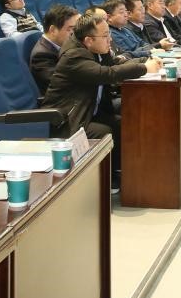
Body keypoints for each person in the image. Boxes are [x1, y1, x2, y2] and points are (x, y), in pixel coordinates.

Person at [39, 13, 160, 185]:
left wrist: (144, 60)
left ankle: (121, 169)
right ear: (88, 40)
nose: (109, 39)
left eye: (109, 34)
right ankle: (107, 179)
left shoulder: (96, 50)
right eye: (105, 36)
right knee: (104, 131)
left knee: (124, 122)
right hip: (69, 119)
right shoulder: (73, 56)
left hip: (89, 110)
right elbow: (106, 74)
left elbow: (113, 66)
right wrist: (144, 68)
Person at [29, 4, 76, 94]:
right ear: (53, 30)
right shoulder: (41, 56)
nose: (75, 34)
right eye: (70, 29)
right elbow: (62, 84)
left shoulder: (63, 44)